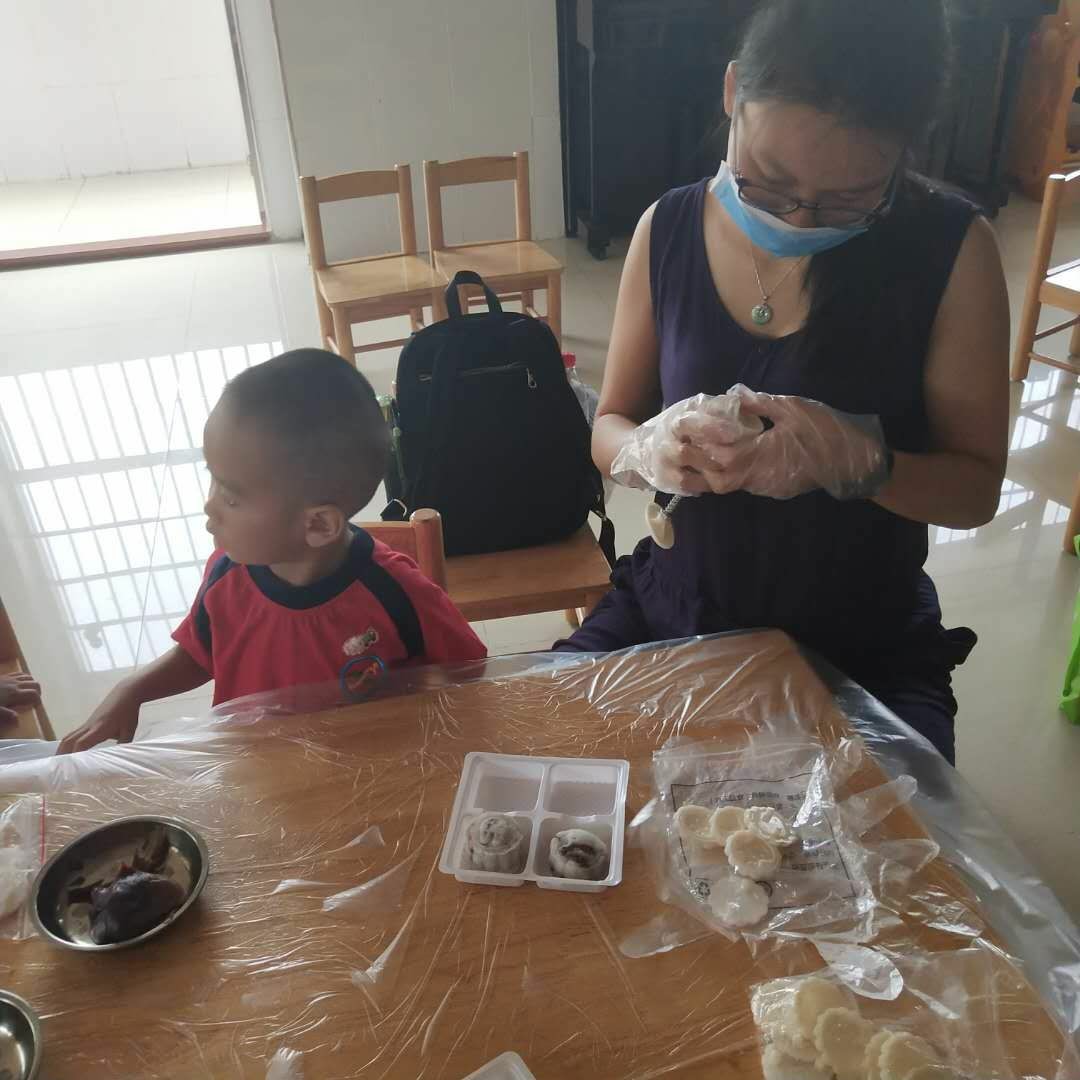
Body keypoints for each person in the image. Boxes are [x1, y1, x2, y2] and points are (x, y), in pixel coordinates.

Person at [556, 0, 1009, 765]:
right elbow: (610, 424)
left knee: (885, 833)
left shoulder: (951, 250)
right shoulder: (666, 230)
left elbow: (975, 491)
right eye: (768, 182)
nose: (800, 219)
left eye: (849, 198)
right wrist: (647, 448)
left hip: (861, 647)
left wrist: (864, 464)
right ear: (733, 92)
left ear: (901, 151)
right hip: (674, 611)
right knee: (539, 768)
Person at [58, 349, 486, 754]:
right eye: (212, 479)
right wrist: (131, 691)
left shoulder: (396, 593)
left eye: (230, 497)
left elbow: (470, 674)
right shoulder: (226, 576)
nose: (209, 506)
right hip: (257, 773)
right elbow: (199, 652)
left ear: (317, 525)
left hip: (370, 777)